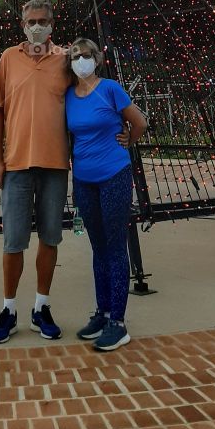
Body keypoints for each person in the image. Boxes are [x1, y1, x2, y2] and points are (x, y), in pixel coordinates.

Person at [0, 0, 69, 344]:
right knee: (13, 242)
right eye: (31, 21)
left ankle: (41, 306)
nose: (36, 26)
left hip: (55, 164)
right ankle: (8, 309)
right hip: (17, 164)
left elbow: (85, 98)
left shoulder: (66, 59)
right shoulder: (9, 57)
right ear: (22, 25)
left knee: (50, 238)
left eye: (42, 21)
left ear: (52, 24)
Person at [65, 37, 148, 352]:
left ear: (97, 59)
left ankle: (118, 322)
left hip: (113, 175)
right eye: (75, 56)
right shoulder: (69, 96)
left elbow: (139, 122)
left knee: (115, 247)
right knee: (98, 247)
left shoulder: (110, 89)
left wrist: (128, 139)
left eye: (86, 55)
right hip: (84, 180)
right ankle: (102, 312)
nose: (80, 60)